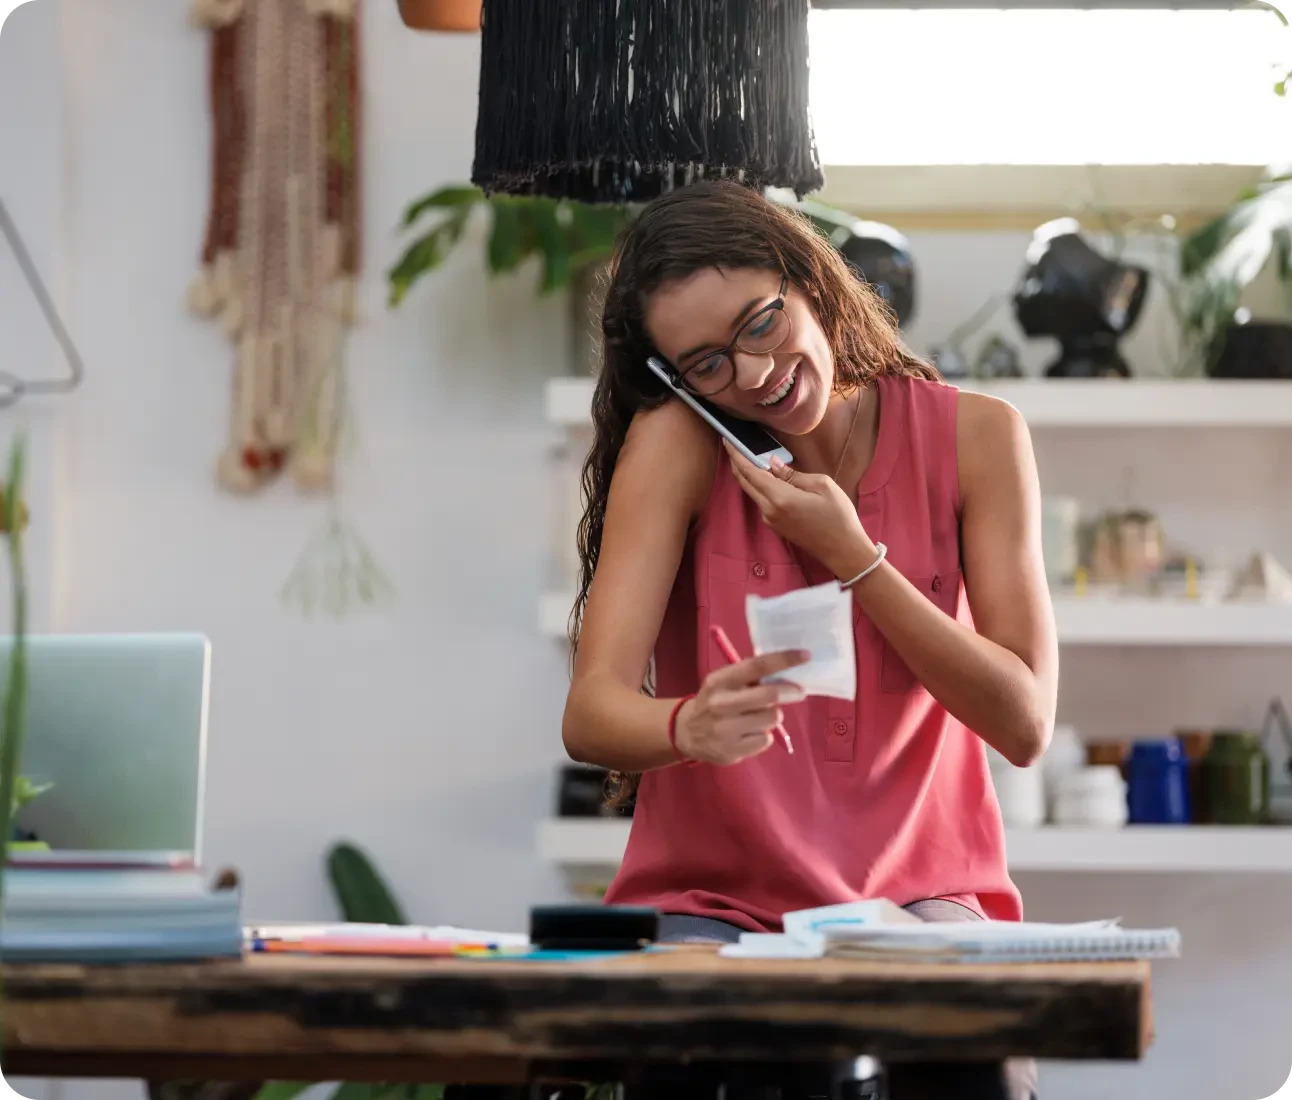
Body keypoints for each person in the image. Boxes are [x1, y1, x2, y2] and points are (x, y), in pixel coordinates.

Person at [561, 180, 1057, 1100]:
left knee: (974, 1065)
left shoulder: (980, 436)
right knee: (711, 1058)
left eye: (759, 325)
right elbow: (590, 714)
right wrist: (685, 728)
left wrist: (856, 559)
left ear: (811, 283)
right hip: (709, 907)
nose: (751, 375)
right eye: (705, 363)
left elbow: (1024, 724)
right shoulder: (679, 447)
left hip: (920, 902)